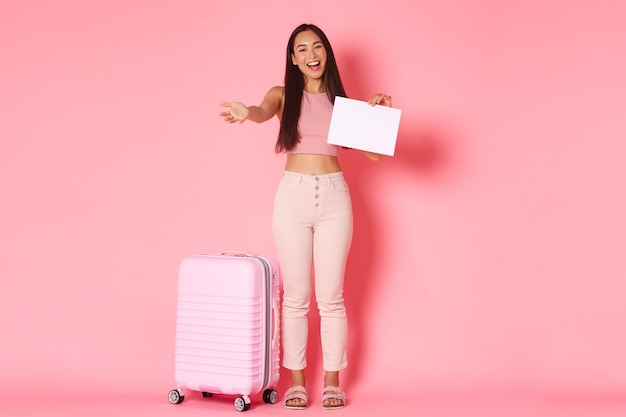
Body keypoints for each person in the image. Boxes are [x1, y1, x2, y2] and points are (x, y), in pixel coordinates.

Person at [219, 23, 391, 410]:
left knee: (331, 298)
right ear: (293, 59)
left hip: (334, 198)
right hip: (292, 197)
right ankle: (296, 382)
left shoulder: (343, 104)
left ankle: (332, 382)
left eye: (317, 47)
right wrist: (246, 112)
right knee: (295, 298)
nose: (311, 54)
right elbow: (262, 111)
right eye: (302, 49)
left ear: (326, 53)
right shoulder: (282, 95)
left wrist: (379, 115)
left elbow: (375, 155)